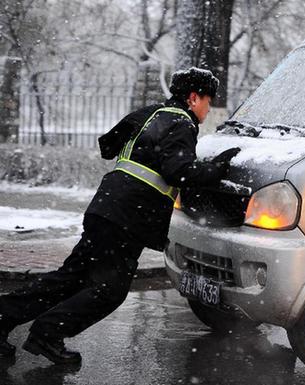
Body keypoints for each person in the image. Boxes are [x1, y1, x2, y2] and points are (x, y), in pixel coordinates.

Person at [0, 67, 240, 364]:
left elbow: (107, 145)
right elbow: (178, 171)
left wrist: (145, 150)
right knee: (109, 291)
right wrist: (218, 168)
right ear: (193, 98)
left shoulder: (150, 113)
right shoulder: (182, 123)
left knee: (70, 278)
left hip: (106, 207)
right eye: (208, 101)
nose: (208, 108)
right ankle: (47, 334)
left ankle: (4, 316)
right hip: (127, 218)